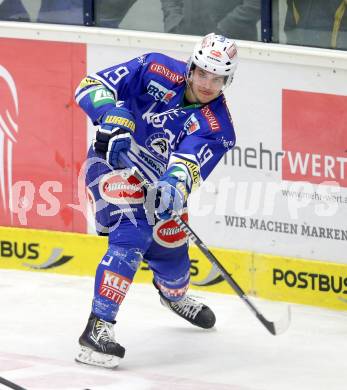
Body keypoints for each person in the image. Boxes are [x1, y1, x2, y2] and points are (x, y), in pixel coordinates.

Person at [74, 32, 238, 368]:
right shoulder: (155, 68)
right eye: (203, 73)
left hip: (155, 183)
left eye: (217, 78)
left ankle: (173, 296)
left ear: (227, 80)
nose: (208, 84)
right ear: (192, 67)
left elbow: (188, 166)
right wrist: (111, 116)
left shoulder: (218, 127)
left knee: (172, 245)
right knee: (132, 233)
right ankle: (98, 326)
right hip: (110, 163)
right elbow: (90, 85)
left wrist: (173, 188)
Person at [161, 0, 260, 41]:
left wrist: (224, 29)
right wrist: (173, 21)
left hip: (233, 44)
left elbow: (256, 4)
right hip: (185, 41)